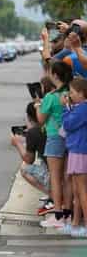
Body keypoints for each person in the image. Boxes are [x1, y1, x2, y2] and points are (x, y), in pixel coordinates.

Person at [35, 61, 73, 228]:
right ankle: (69, 213)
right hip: (71, 137)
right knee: (68, 178)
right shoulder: (72, 92)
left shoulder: (51, 97)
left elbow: (40, 120)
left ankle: (58, 216)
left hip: (54, 137)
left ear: (56, 75)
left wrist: (38, 105)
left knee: (56, 178)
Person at [61, 78, 87, 237]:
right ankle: (75, 223)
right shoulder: (80, 108)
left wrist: (65, 108)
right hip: (77, 150)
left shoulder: (83, 109)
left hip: (80, 150)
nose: (70, 95)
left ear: (82, 93)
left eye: (72, 92)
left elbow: (68, 125)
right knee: (77, 191)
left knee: (82, 190)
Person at [11, 103, 50, 208]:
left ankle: (54, 196)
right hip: (64, 175)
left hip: (54, 177)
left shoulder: (34, 132)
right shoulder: (51, 126)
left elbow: (29, 160)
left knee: (25, 169)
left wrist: (17, 143)